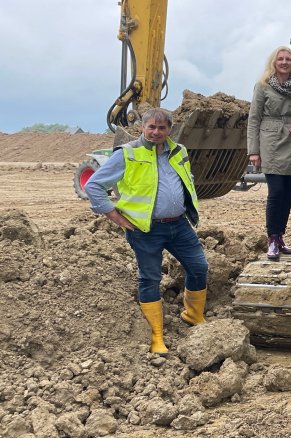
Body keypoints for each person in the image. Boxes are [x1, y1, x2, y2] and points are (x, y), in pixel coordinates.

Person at [85, 108, 209, 355]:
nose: (156, 132)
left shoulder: (179, 151)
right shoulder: (128, 154)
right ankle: (156, 336)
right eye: (151, 127)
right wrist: (113, 215)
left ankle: (193, 315)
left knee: (199, 267)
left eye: (161, 128)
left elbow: (187, 179)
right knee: (150, 278)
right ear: (142, 127)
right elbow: (94, 185)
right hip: (145, 228)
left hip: (179, 224)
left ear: (169, 130)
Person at [247, 47, 291, 260]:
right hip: (271, 143)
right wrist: (253, 151)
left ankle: (280, 237)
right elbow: (254, 119)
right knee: (275, 193)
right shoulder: (262, 86)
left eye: (288, 59)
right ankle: (272, 238)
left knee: (286, 195)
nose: (284, 62)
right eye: (280, 59)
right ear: (273, 62)